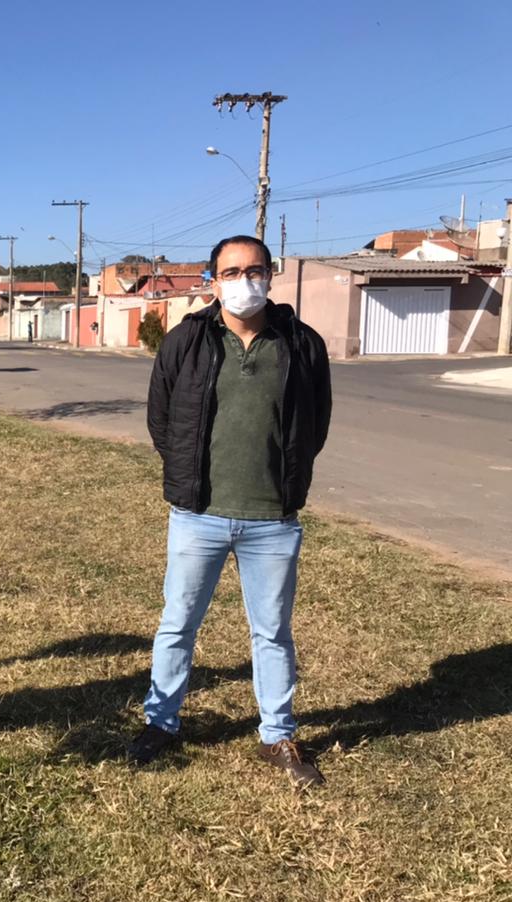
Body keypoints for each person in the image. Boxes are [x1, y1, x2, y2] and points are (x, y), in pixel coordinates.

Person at [130, 235, 332, 788]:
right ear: (212, 280)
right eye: (233, 271)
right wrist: (187, 478)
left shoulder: (302, 344)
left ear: (271, 274)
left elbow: (315, 426)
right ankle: (161, 723)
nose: (246, 280)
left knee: (272, 632)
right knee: (178, 624)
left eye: (255, 270)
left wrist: (286, 480)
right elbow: (162, 419)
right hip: (199, 515)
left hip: (273, 519)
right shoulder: (186, 341)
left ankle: (278, 735)